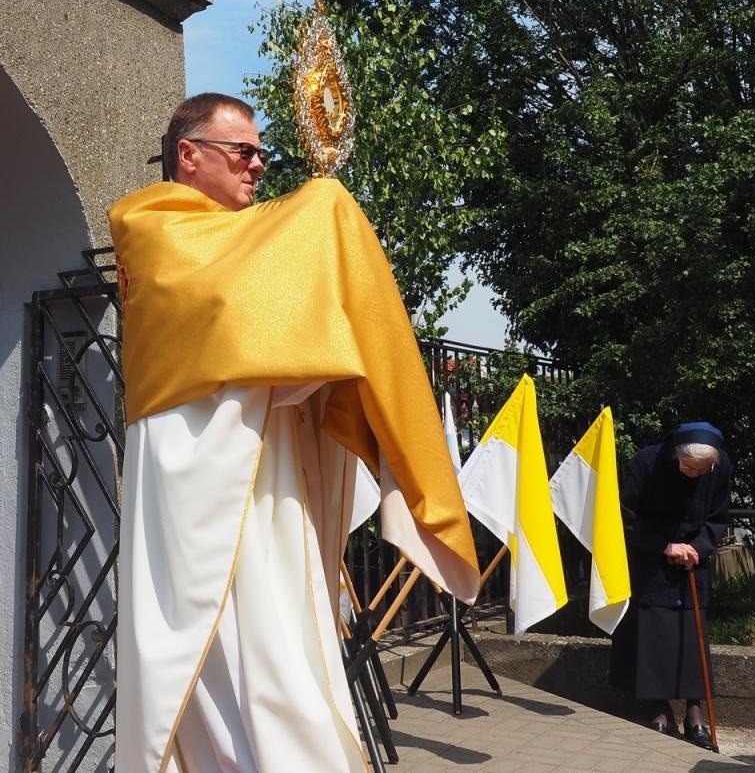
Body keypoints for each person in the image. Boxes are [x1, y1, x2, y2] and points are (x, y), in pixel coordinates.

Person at [110, 92, 480, 773]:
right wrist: (326, 202)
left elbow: (286, 331)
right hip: (203, 484)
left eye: (262, 153)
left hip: (264, 467)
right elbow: (241, 327)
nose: (256, 167)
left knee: (284, 642)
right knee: (231, 650)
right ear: (188, 155)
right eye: (242, 152)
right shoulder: (156, 231)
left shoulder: (242, 242)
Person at [609, 421, 732, 748]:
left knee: (692, 638)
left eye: (701, 471)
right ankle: (659, 708)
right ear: (675, 456)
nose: (693, 475)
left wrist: (699, 548)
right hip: (652, 563)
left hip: (693, 562)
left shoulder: (719, 468)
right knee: (654, 637)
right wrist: (663, 545)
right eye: (688, 468)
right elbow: (626, 515)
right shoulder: (646, 463)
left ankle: (695, 712)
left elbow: (718, 517)